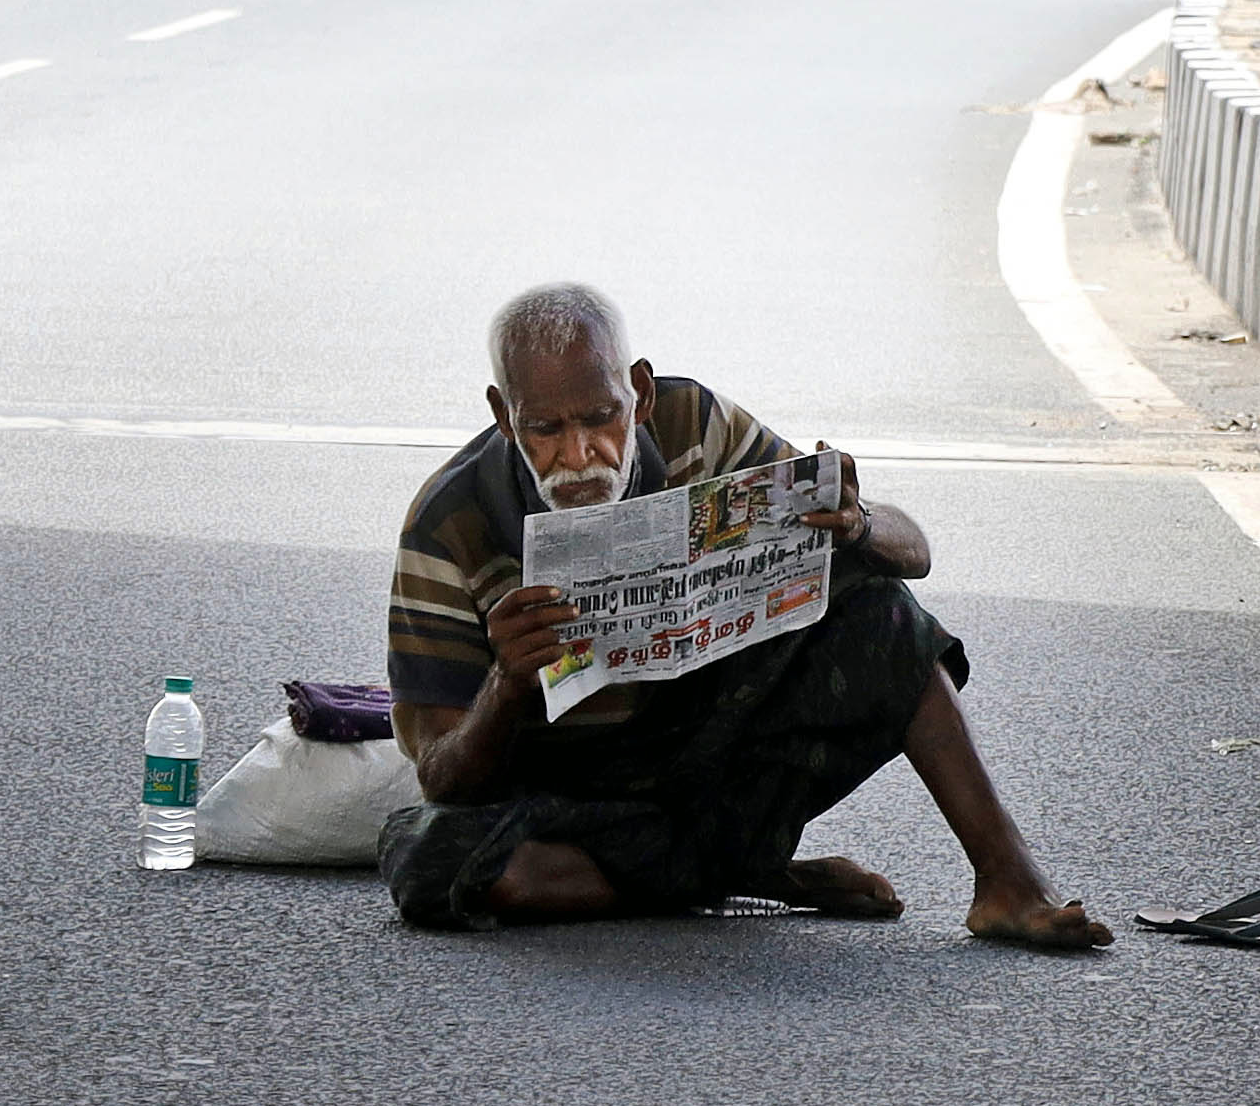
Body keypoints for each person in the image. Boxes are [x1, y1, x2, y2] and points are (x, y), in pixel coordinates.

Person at [378, 282, 1110, 950]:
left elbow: (912, 552)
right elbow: (442, 778)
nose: (579, 453)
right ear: (504, 418)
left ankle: (1008, 881)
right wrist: (507, 684)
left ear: (637, 393)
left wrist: (856, 523)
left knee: (880, 609)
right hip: (584, 798)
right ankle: (744, 870)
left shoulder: (695, 423)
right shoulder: (449, 522)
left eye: (600, 418)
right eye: (544, 428)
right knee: (445, 862)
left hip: (724, 750)